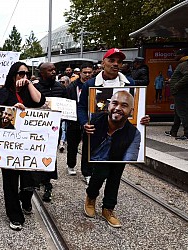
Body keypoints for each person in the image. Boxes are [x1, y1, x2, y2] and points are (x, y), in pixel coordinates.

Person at [78, 48, 150, 228]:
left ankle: (108, 208)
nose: (116, 64)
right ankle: (91, 196)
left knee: (116, 174)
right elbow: (80, 108)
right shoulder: (91, 83)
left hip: (121, 135)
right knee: (100, 172)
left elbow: (137, 107)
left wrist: (143, 119)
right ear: (103, 62)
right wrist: (83, 123)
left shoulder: (130, 82)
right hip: (98, 135)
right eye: (112, 60)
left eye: (119, 61)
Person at [0, 61, 45, 231]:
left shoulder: (28, 90)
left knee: (29, 177)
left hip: (28, 144)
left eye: (27, 74)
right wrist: (13, 110)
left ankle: (26, 198)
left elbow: (39, 101)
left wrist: (29, 84)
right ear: (13, 74)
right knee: (10, 181)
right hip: (9, 144)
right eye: (21, 74)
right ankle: (14, 215)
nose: (24, 77)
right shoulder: (2, 92)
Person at [84, 91, 141, 228]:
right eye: (115, 103)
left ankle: (108, 209)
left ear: (131, 110)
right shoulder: (94, 120)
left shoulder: (134, 133)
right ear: (109, 105)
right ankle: (91, 198)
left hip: (116, 158)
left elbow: (131, 155)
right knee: (99, 175)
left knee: (114, 180)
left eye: (124, 105)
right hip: (96, 157)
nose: (118, 108)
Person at [34, 62, 67, 202]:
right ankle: (35, 180)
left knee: (50, 155)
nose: (53, 72)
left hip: (54, 129)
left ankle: (47, 182)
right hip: (38, 128)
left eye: (54, 70)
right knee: (36, 153)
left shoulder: (61, 88)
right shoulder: (35, 88)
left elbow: (67, 105)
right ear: (42, 73)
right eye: (50, 70)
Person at [66, 62, 93, 177]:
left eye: (89, 72)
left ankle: (86, 171)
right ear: (80, 73)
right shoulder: (72, 86)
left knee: (88, 146)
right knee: (72, 144)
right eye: (85, 72)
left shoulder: (94, 85)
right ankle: (71, 165)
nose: (87, 75)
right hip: (74, 119)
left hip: (90, 119)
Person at [169, 48, 188, 140]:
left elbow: (187, 75)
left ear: (183, 55)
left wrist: (176, 85)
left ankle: (187, 133)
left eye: (177, 54)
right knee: (178, 112)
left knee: (182, 112)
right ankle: (173, 131)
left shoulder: (184, 64)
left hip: (181, 92)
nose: (175, 56)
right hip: (179, 92)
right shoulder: (182, 64)